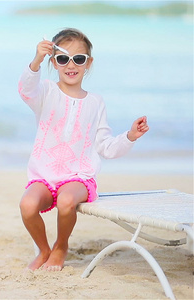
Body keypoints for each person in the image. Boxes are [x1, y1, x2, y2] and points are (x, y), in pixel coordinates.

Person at [18, 28, 149, 271]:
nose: (71, 64)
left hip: (78, 176)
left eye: (78, 58)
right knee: (27, 205)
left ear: (88, 63)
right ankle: (45, 249)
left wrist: (130, 136)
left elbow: (106, 147)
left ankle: (60, 247)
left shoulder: (95, 102)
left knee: (67, 200)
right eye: (63, 58)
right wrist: (36, 59)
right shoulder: (45, 92)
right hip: (44, 175)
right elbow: (26, 90)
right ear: (54, 62)